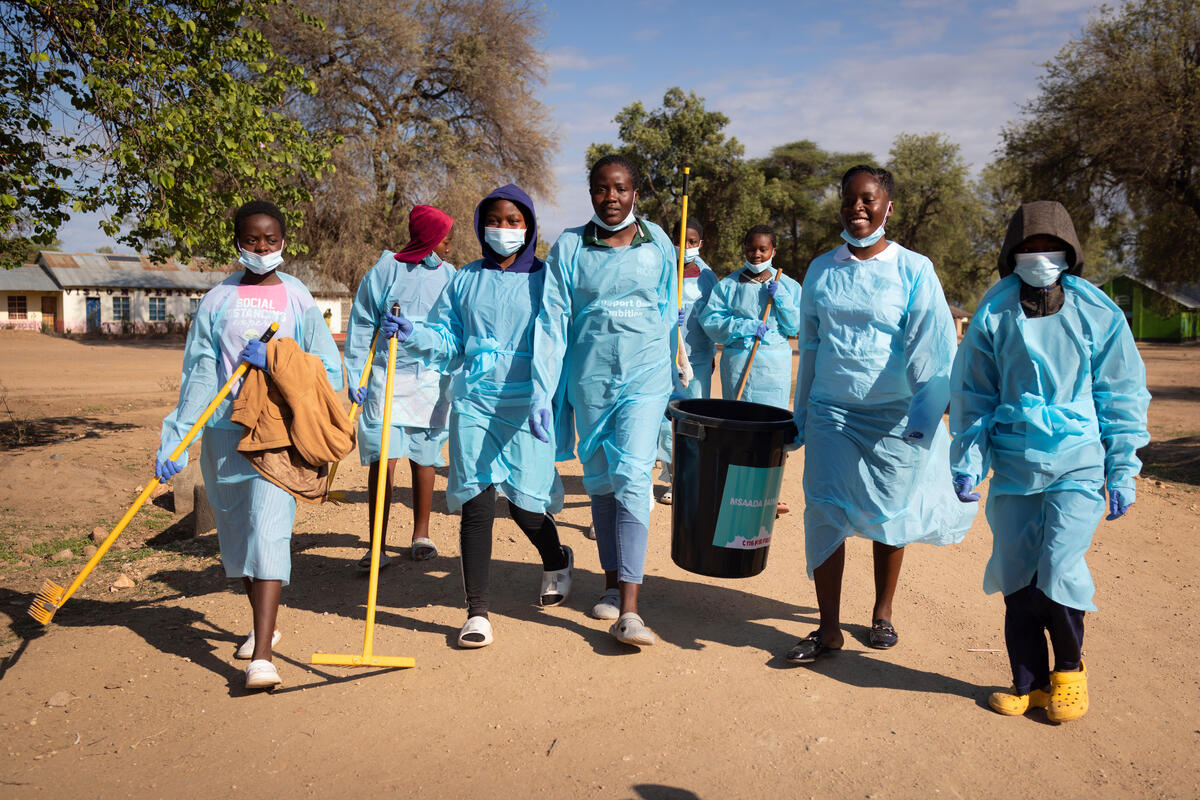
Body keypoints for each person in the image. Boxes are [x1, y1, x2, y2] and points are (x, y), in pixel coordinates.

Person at [949, 200, 1150, 722]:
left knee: (1059, 566)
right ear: (1012, 253)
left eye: (1050, 247)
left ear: (1070, 252)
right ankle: (1029, 683)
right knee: (1018, 574)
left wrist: (1122, 466)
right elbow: (974, 392)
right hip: (1016, 459)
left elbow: (1121, 392)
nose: (1039, 256)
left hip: (1078, 458)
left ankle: (1070, 673)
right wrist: (970, 457)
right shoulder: (994, 312)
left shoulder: (1097, 312)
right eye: (1028, 247)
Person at [787, 165, 974, 664]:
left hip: (893, 415)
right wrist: (801, 414)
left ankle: (882, 613)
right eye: (849, 199)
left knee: (889, 514)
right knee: (823, 509)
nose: (858, 207)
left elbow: (931, 348)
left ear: (888, 207)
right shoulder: (822, 269)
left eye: (868, 199)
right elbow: (810, 343)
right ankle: (827, 628)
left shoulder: (914, 268)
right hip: (832, 410)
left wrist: (925, 417)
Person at [155, 200, 344, 690]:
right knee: (236, 535)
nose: (262, 248)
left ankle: (261, 656)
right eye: (252, 240)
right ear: (236, 242)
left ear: (284, 242)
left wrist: (280, 359)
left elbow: (325, 364)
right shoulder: (217, 300)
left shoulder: (298, 297)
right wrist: (177, 439)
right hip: (223, 432)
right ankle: (266, 625)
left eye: (271, 239)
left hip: (276, 431)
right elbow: (199, 370)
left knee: (268, 530)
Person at [387, 185, 572, 648]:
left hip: (529, 402)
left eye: (514, 221)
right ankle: (477, 612)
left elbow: (553, 344)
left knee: (528, 507)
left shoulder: (547, 280)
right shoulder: (465, 279)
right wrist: (415, 333)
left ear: (528, 226)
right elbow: (449, 336)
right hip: (475, 401)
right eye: (495, 220)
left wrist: (542, 396)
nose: (504, 229)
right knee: (477, 502)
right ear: (480, 225)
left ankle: (556, 558)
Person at [530, 154, 679, 647]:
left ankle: (630, 610)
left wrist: (671, 364)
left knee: (633, 476)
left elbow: (666, 307)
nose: (610, 197)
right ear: (591, 192)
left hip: (645, 376)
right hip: (590, 380)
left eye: (619, 188)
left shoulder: (658, 240)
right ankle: (612, 583)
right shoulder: (571, 245)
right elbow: (552, 320)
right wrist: (543, 389)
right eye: (600, 188)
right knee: (599, 481)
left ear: (636, 192)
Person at [343, 205, 455, 568]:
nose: (449, 246)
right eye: (444, 239)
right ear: (428, 238)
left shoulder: (451, 275)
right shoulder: (385, 270)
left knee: (425, 456)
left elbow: (456, 327)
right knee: (383, 457)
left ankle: (421, 534)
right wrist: (356, 374)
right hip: (386, 376)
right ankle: (376, 542)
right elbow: (361, 324)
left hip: (431, 380)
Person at [700, 225, 801, 410]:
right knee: (739, 421)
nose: (756, 254)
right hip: (737, 364)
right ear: (744, 249)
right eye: (751, 249)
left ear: (773, 251)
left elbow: (795, 327)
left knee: (770, 421)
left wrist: (782, 299)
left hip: (774, 368)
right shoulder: (728, 285)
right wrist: (744, 326)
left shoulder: (788, 286)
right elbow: (711, 322)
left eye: (763, 249)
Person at [656, 219, 718, 504]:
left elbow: (716, 318)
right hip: (665, 357)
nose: (686, 247)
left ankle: (690, 477)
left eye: (692, 241)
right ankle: (670, 475)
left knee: (692, 419)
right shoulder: (663, 269)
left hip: (699, 358)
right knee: (664, 419)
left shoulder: (708, 278)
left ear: (700, 243)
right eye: (681, 240)